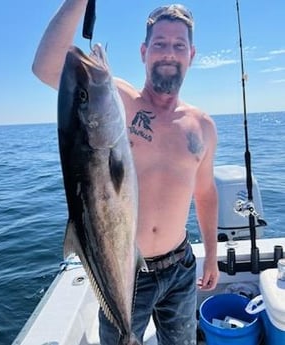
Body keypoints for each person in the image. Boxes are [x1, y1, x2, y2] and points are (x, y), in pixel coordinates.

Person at [33, 1, 220, 344]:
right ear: (144, 51)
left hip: (181, 266)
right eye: (160, 43)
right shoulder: (117, 98)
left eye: (179, 45)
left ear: (191, 54)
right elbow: (46, 67)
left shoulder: (202, 126)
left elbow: (205, 193)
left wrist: (212, 256)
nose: (169, 53)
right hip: (124, 272)